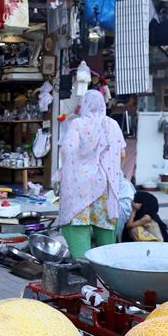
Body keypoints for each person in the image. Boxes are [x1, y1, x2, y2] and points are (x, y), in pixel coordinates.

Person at [57, 89, 126, 258]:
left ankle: (84, 271)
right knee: (104, 232)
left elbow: (66, 151)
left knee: (78, 226)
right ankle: (106, 274)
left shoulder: (77, 124)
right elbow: (122, 154)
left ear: (84, 105)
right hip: (104, 188)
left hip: (79, 188)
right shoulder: (112, 125)